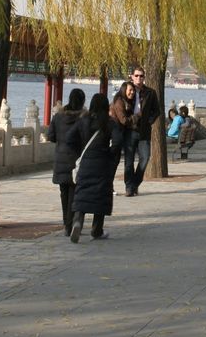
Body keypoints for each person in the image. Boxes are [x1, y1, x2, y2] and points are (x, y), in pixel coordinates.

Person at [66, 93, 122, 243]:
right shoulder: (109, 123)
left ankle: (78, 220)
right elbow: (118, 142)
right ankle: (96, 230)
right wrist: (110, 154)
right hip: (102, 163)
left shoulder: (83, 120)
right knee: (100, 196)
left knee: (82, 193)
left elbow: (69, 139)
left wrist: (80, 152)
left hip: (86, 162)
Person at [47, 88, 85, 234]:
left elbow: (51, 136)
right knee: (75, 193)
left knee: (64, 193)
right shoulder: (83, 118)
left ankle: (66, 224)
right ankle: (73, 222)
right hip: (77, 160)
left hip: (60, 159)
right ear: (82, 101)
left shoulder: (58, 117)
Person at [127, 65, 160, 196]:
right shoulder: (127, 90)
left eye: (141, 76)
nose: (139, 78)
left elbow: (156, 111)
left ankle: (135, 183)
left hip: (144, 131)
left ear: (144, 77)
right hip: (129, 130)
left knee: (145, 158)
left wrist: (149, 121)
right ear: (132, 77)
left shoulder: (150, 93)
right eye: (136, 76)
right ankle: (129, 187)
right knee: (128, 162)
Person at [110, 82, 138, 195]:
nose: (132, 92)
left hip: (121, 134)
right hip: (115, 134)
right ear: (124, 90)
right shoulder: (119, 101)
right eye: (130, 90)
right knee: (113, 162)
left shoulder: (127, 101)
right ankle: (108, 186)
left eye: (133, 90)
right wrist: (136, 117)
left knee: (119, 161)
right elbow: (123, 120)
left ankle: (125, 186)